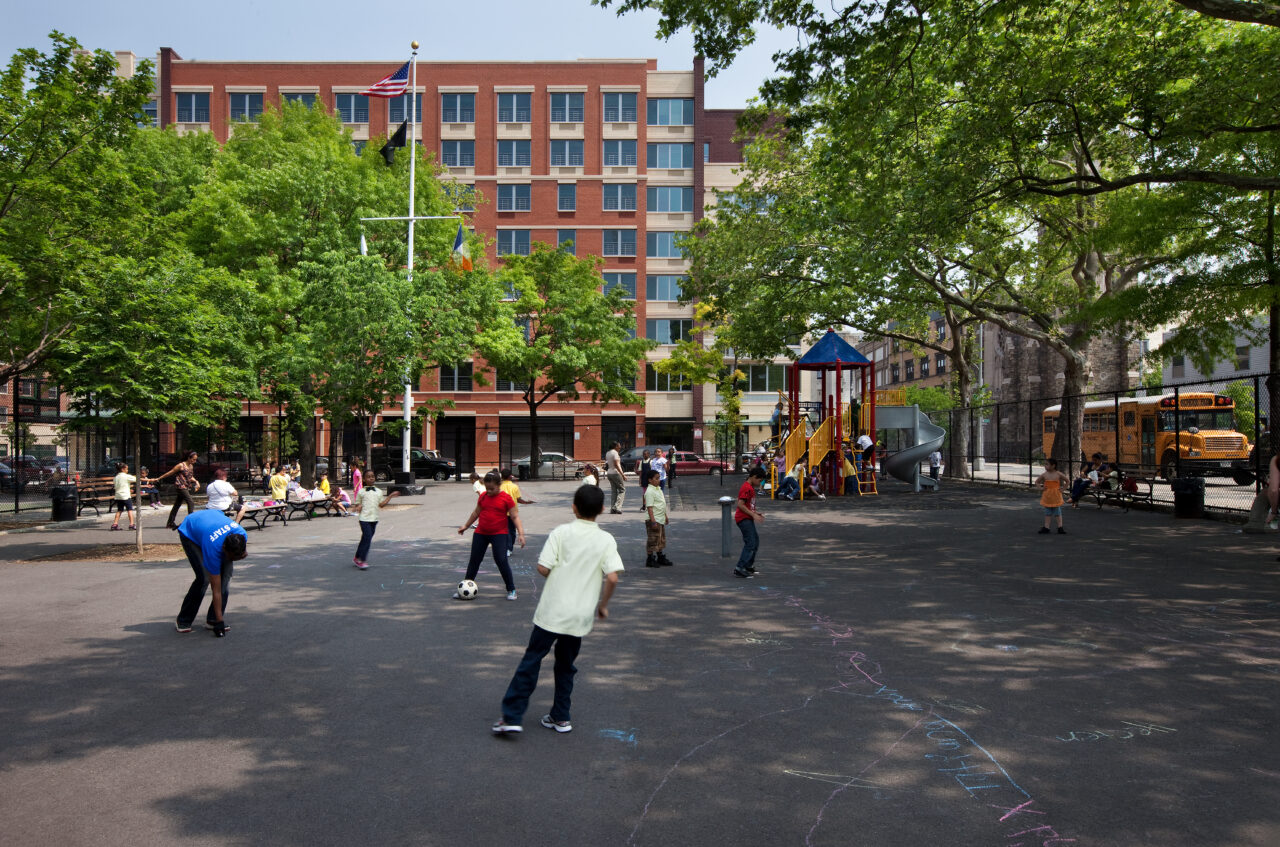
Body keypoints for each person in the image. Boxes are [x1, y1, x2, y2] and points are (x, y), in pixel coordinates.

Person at [492, 484, 623, 735]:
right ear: (603, 509)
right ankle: (561, 716)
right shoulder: (606, 539)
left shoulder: (561, 532)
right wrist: (603, 606)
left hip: (552, 611)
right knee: (566, 665)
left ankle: (511, 716)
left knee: (532, 660)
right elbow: (613, 577)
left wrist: (560, 576)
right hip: (579, 615)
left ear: (573, 508)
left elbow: (543, 567)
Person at [174, 509, 248, 636]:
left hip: (211, 520)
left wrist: (241, 555)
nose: (233, 561)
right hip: (190, 530)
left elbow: (236, 553)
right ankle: (184, 619)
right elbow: (216, 589)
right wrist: (221, 621)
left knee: (226, 577)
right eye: (232, 557)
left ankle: (213, 619)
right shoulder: (213, 548)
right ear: (224, 549)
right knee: (204, 578)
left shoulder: (241, 534)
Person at [459, 470, 524, 600]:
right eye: (487, 488)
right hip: (481, 533)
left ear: (499, 485)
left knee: (501, 560)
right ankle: (466, 586)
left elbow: (515, 516)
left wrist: (521, 534)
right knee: (474, 560)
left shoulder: (506, 498)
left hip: (499, 534)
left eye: (492, 489)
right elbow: (475, 513)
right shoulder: (483, 496)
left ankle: (511, 589)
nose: (488, 491)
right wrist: (465, 526)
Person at [352, 480, 400, 570]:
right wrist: (357, 507)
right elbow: (358, 504)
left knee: (365, 539)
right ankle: (362, 560)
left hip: (374, 519)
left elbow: (381, 505)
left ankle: (356, 557)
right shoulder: (361, 491)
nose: (371, 478)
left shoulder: (378, 491)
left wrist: (390, 496)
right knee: (367, 539)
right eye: (368, 477)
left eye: (372, 476)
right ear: (364, 479)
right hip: (364, 519)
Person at [733, 466, 767, 578]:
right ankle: (740, 567)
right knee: (751, 542)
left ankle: (748, 565)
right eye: (759, 480)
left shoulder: (750, 487)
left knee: (755, 542)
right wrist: (753, 514)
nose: (759, 483)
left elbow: (748, 506)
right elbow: (740, 505)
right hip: (743, 519)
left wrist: (755, 513)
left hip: (747, 517)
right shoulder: (746, 488)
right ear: (753, 477)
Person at [155, 450, 201, 530]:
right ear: (188, 458)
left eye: (195, 459)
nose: (195, 461)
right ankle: (190, 523)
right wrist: (159, 478)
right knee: (190, 502)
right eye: (193, 459)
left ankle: (170, 523)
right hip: (180, 486)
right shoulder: (181, 465)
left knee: (177, 505)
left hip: (186, 486)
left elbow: (190, 477)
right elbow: (170, 472)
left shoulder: (190, 466)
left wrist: (196, 481)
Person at [643, 468, 673, 567]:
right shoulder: (649, 491)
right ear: (650, 480)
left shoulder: (658, 489)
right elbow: (650, 508)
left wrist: (665, 516)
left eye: (659, 478)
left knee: (660, 539)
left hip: (660, 518)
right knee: (652, 540)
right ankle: (650, 559)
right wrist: (653, 521)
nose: (658, 480)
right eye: (656, 478)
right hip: (653, 520)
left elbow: (661, 504)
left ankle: (660, 556)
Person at [1034, 459, 1070, 534]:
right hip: (1047, 496)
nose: (1045, 466)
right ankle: (1046, 527)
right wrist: (1041, 488)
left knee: (1057, 512)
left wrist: (1063, 489)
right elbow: (1037, 482)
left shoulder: (1058, 474)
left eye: (1047, 464)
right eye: (1045, 464)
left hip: (1056, 495)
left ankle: (1060, 527)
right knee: (1047, 512)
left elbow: (1067, 481)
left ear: (1053, 466)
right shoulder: (1044, 474)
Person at [110, 462, 137, 531]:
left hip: (118, 496)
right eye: (127, 469)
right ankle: (131, 524)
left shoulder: (116, 477)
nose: (127, 470)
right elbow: (136, 479)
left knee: (119, 510)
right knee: (129, 510)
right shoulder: (126, 476)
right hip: (126, 496)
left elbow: (119, 486)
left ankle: (115, 524)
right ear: (123, 469)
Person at [604, 441, 627, 514]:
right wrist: (623, 475)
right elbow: (616, 464)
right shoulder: (615, 453)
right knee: (622, 490)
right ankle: (617, 507)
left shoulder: (607, 453)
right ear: (615, 446)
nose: (620, 447)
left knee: (614, 491)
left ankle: (612, 508)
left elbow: (607, 464)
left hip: (609, 472)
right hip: (615, 473)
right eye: (619, 446)